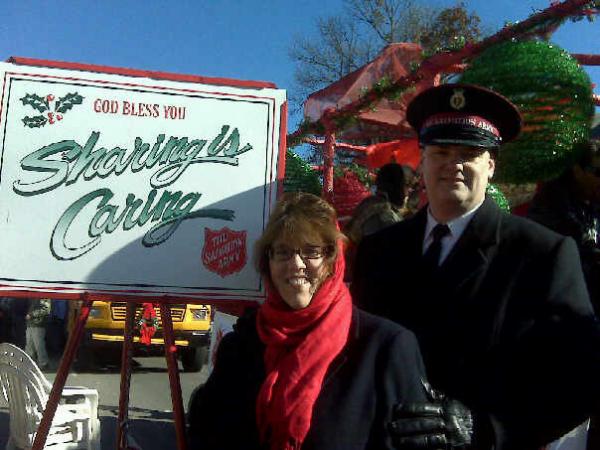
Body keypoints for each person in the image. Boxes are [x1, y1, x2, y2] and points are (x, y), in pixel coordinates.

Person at [352, 83, 600, 449]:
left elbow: (579, 379)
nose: (453, 164)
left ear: (491, 165)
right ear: (422, 160)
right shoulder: (378, 250)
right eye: (440, 151)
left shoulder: (541, 254)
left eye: (469, 152)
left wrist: (486, 429)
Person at [187, 192, 466, 450]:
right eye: (283, 252)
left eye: (311, 251)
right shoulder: (242, 344)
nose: (295, 264)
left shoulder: (385, 347)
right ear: (267, 262)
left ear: (333, 260)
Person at [25, 298, 51, 369]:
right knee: (29, 346)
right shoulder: (33, 295)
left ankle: (44, 363)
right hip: (30, 324)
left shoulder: (44, 296)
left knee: (39, 345)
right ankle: (29, 363)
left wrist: (32, 314)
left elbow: (46, 310)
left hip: (38, 324)